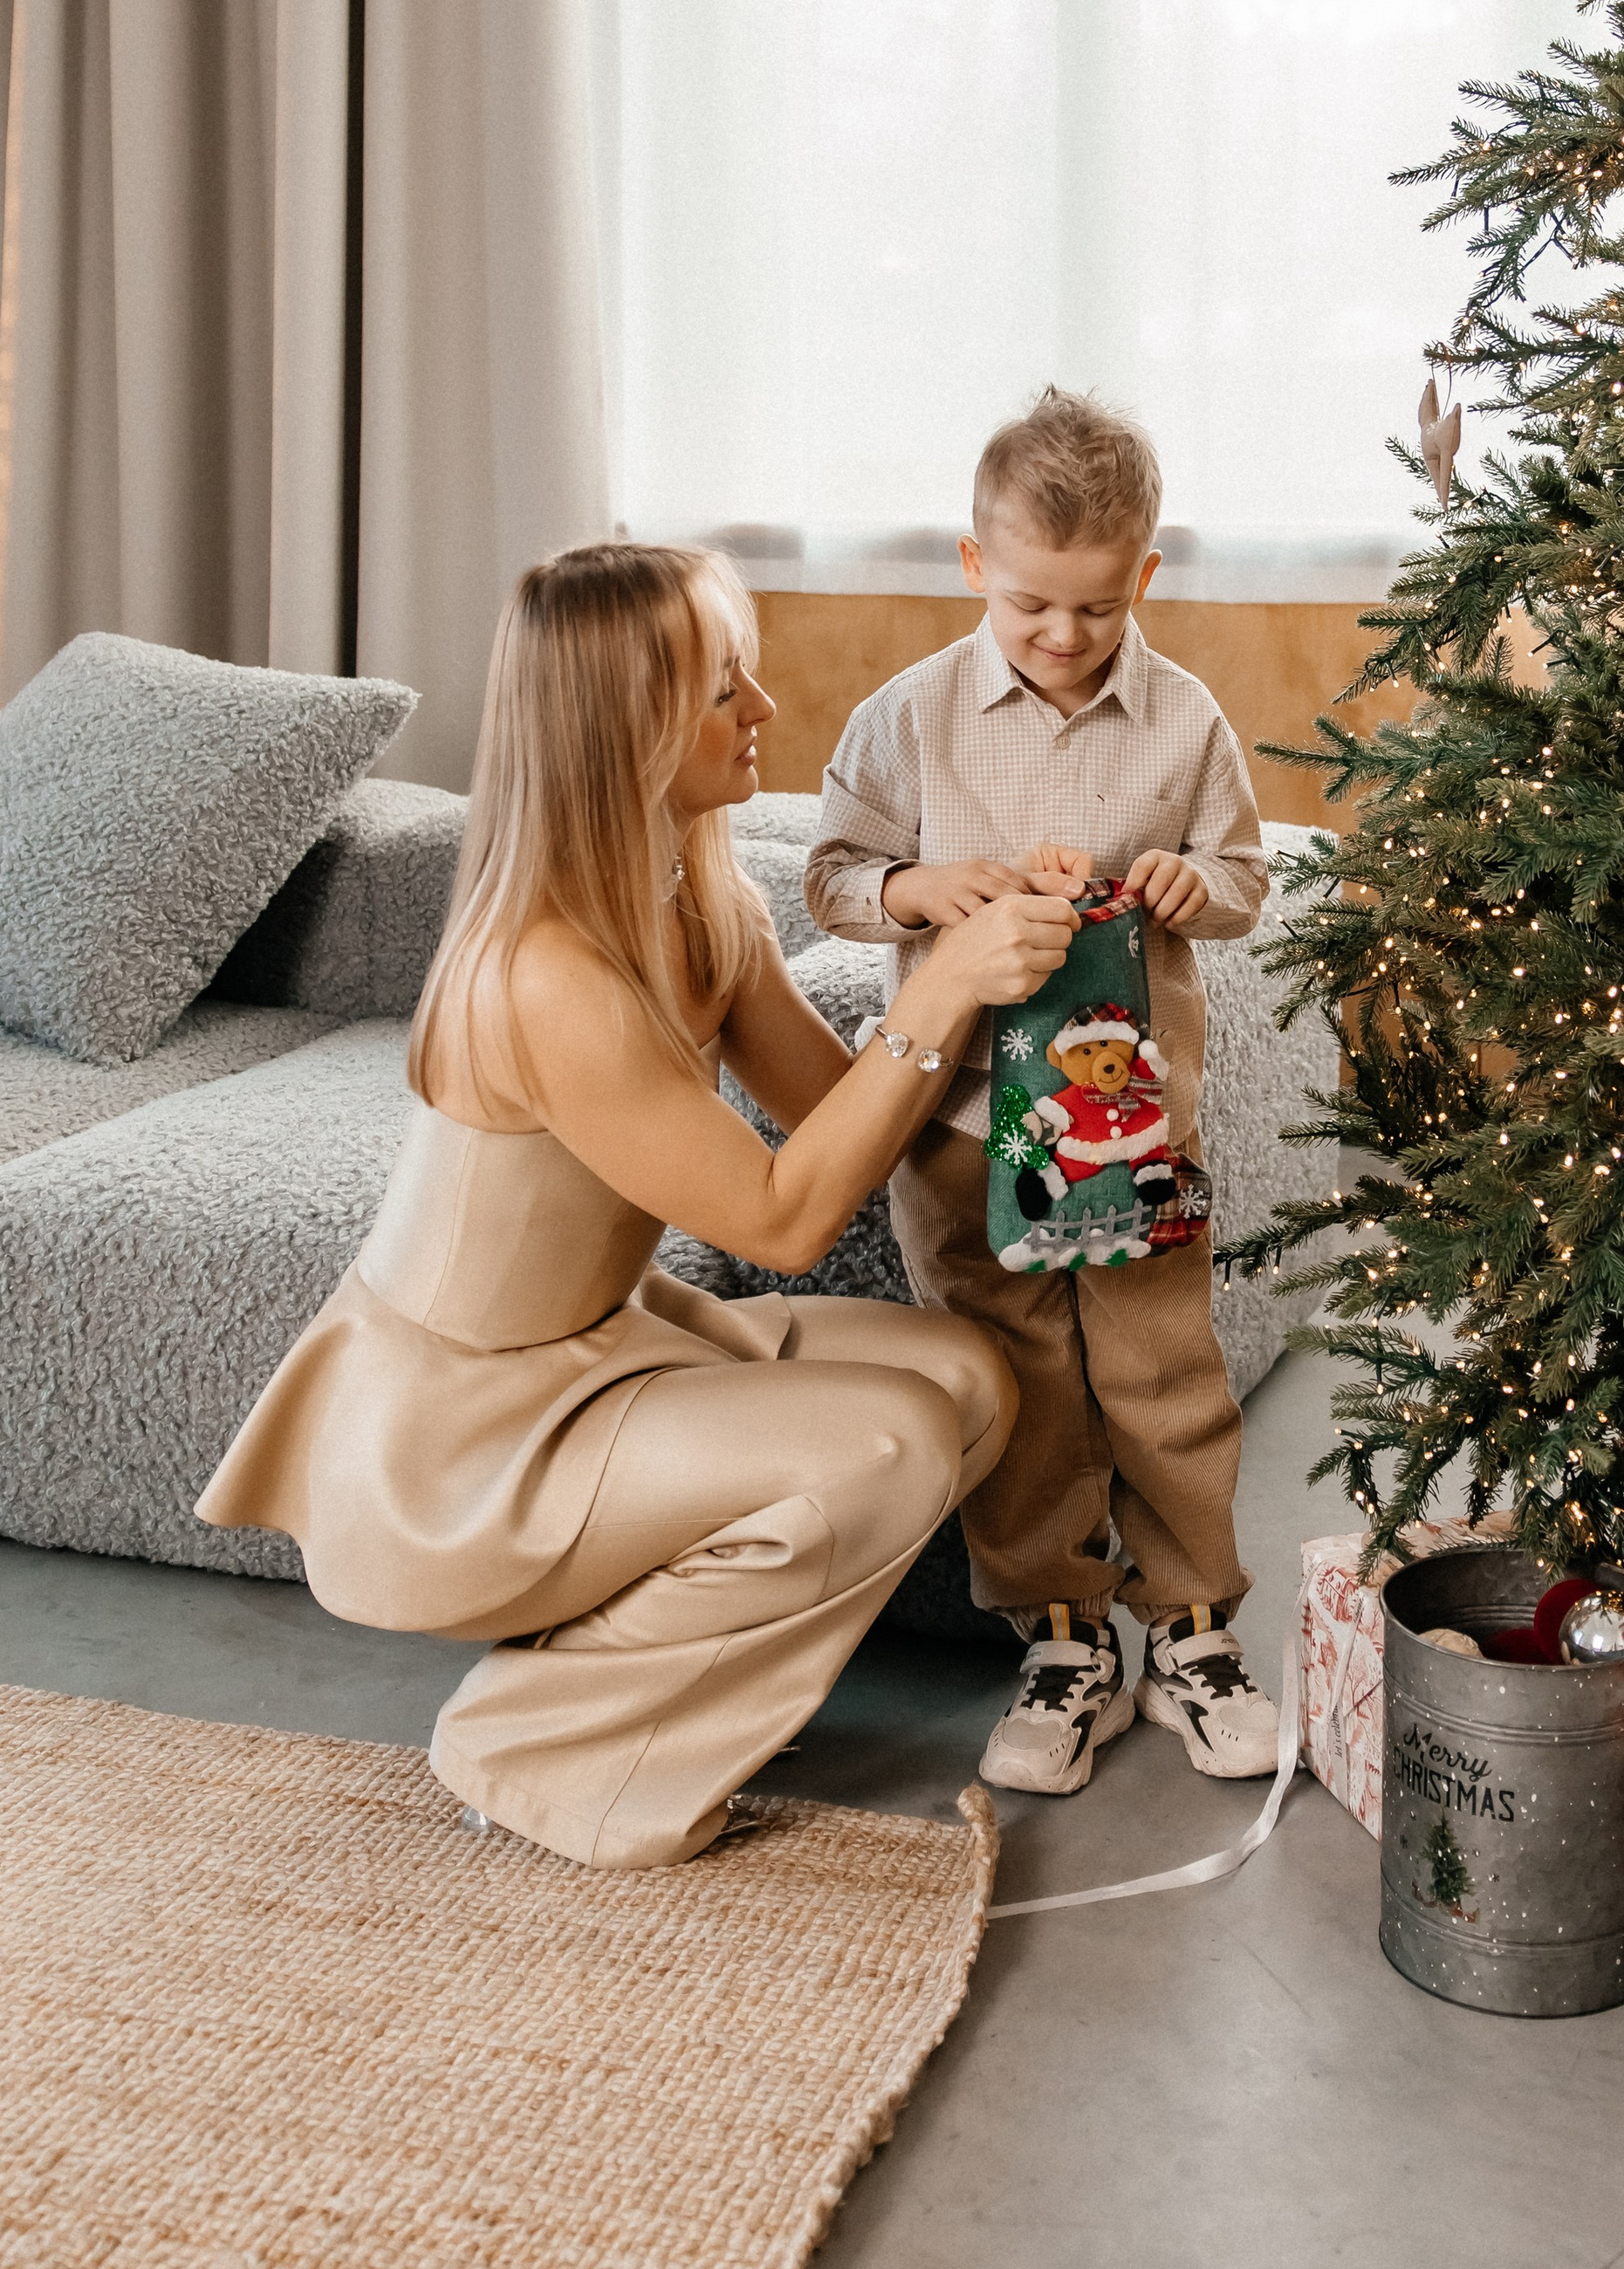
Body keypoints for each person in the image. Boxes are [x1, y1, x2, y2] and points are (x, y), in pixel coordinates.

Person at [198, 542, 1073, 1870]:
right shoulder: (545, 973)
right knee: (888, 1441)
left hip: (600, 1354)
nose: (763, 712)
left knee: (964, 1373)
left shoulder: (698, 895)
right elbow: (780, 1222)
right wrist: (940, 992)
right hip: (466, 1442)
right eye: (725, 689)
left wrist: (1014, 1023)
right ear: (626, 728)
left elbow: (848, 1119)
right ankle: (540, 1745)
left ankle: (663, 1683)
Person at [806, 389, 1279, 1799]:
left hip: (1132, 1134)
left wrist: (1207, 887)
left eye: (1092, 607)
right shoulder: (907, 720)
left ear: (1145, 573)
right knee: (1017, 1384)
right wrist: (917, 890)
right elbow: (830, 875)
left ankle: (1192, 1632)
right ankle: (1064, 1641)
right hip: (957, 1131)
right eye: (1029, 608)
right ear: (971, 567)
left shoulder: (1186, 723)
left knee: (1160, 1378)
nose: (1062, 638)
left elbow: (1250, 878)